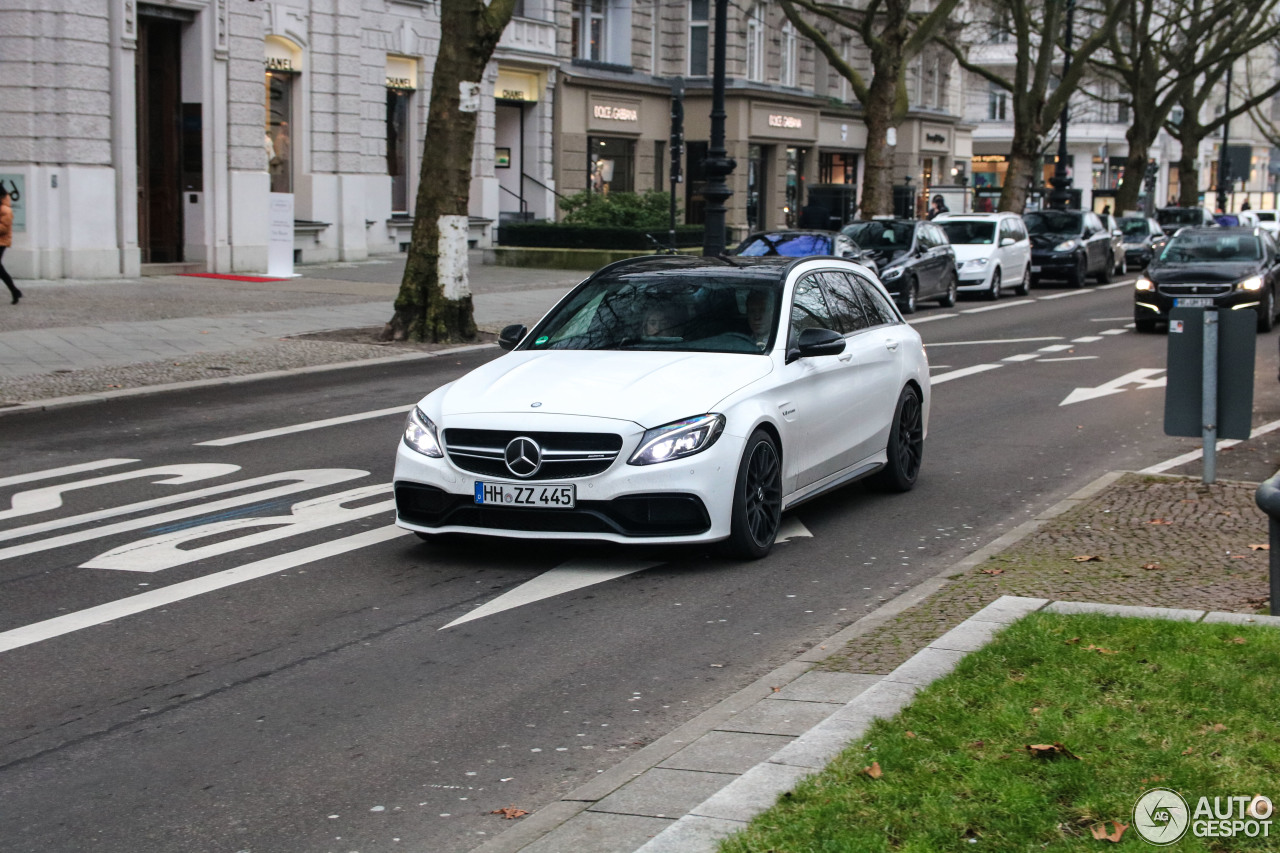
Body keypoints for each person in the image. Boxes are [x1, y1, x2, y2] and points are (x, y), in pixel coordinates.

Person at [0, 187, 20, 305]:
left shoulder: (6, 209)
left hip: (2, 242)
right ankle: (14, 291)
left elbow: (4, 228)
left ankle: (14, 291)